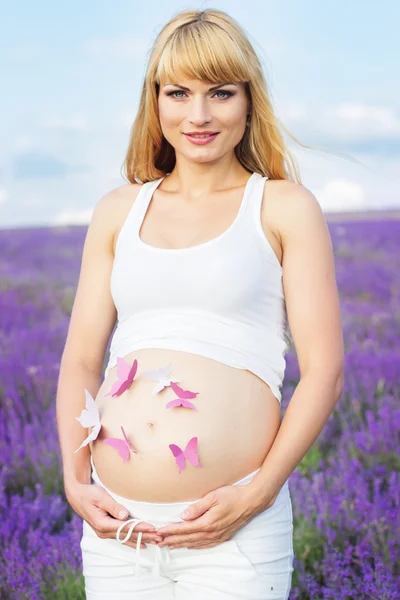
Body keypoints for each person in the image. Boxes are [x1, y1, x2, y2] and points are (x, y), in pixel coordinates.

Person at [56, 8, 344, 600]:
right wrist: (73, 478)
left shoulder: (284, 207)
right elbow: (82, 360)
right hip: (118, 533)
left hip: (235, 534)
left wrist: (257, 494)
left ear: (248, 101)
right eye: (179, 92)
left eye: (221, 93)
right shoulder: (118, 210)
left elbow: (326, 371)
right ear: (154, 101)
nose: (199, 115)